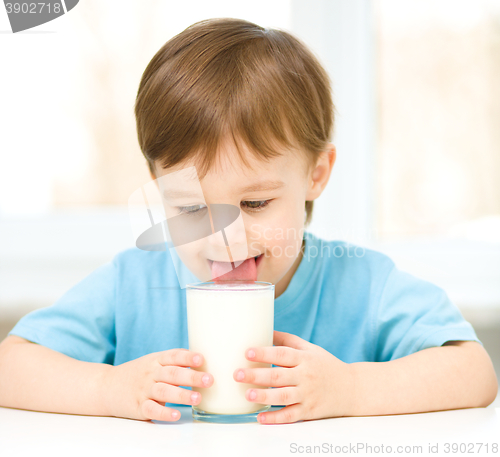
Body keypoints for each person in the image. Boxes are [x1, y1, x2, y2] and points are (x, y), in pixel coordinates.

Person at [0, 18, 497, 425]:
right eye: (192, 209)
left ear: (317, 174)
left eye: (256, 204)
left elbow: (473, 372)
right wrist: (107, 388)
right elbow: (10, 366)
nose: (225, 239)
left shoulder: (363, 285)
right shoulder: (132, 285)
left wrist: (351, 389)